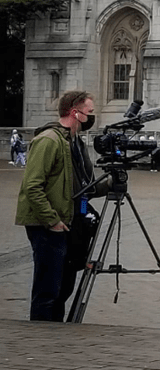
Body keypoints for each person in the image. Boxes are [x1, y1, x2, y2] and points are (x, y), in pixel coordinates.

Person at [15, 91, 109, 322]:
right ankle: (42, 333)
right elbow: (32, 186)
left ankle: (56, 333)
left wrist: (111, 182)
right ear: (74, 112)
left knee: (63, 286)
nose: (92, 117)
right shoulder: (49, 140)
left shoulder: (75, 142)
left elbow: (83, 186)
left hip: (69, 221)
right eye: (89, 112)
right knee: (48, 288)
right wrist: (51, 220)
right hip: (48, 225)